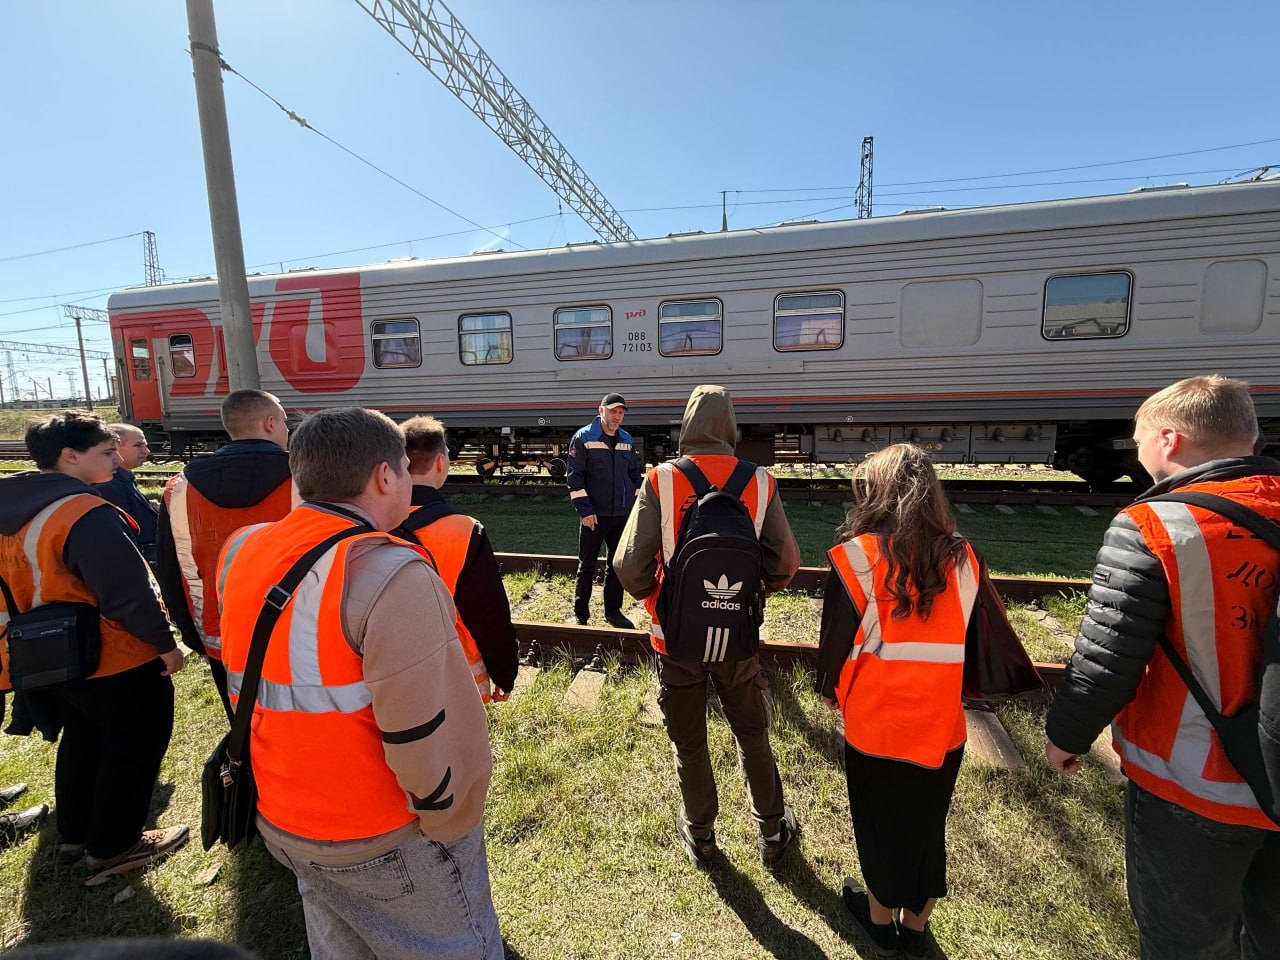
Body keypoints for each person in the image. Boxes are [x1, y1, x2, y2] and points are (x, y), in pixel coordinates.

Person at [216, 407, 500, 960]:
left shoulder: (244, 550)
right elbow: (427, 733)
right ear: (385, 477)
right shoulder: (390, 573)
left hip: (283, 817)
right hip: (384, 833)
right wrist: (450, 822)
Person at [1044, 375, 1280, 960]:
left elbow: (1106, 660)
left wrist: (1064, 736)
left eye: (1139, 437)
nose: (1136, 449)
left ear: (1170, 441)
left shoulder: (1156, 525)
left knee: (1186, 945)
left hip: (1196, 785)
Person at [614, 384, 802, 867]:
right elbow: (784, 564)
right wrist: (742, 597)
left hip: (675, 641)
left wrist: (663, 598)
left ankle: (700, 836)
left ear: (689, 424)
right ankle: (773, 832)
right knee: (752, 734)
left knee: (691, 742)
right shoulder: (761, 481)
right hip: (737, 641)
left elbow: (629, 567)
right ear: (731, 427)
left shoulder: (661, 480)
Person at [0, 411, 187, 887]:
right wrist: (165, 646)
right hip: (112, 653)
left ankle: (75, 833)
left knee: (83, 739)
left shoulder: (14, 508)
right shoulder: (84, 513)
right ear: (70, 456)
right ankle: (115, 845)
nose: (117, 458)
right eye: (107, 452)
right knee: (134, 746)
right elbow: (126, 593)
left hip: (47, 652)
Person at [816, 443, 980, 959]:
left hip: (877, 722)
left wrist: (828, 691)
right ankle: (915, 928)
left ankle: (879, 918)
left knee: (879, 822)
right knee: (928, 823)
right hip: (941, 723)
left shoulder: (857, 558)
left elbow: (833, 650)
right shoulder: (963, 557)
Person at [154, 389, 292, 721]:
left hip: (219, 636)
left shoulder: (179, 488)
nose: (288, 430)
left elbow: (169, 569)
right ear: (270, 423)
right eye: (285, 422)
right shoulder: (304, 477)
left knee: (241, 724)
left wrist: (191, 634)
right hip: (294, 632)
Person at [397, 416, 518, 703]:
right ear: (440, 462)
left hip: (387, 679)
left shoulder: (369, 523)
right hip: (452, 679)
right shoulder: (465, 530)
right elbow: (489, 616)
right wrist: (505, 674)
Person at [566, 393, 642, 628]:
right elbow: (574, 478)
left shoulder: (626, 439)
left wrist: (635, 505)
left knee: (616, 565)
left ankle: (613, 612)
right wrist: (585, 511)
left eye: (620, 412)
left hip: (620, 514)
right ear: (601, 410)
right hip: (594, 516)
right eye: (613, 411)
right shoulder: (583, 438)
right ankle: (581, 614)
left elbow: (634, 475)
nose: (617, 416)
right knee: (586, 565)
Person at [92, 423, 159, 563]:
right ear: (114, 446)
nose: (146, 451)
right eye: (138, 445)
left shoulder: (123, 479)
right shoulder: (108, 485)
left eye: (145, 445)